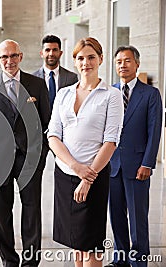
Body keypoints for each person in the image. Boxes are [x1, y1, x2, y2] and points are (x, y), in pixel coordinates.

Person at [47, 37, 123, 267]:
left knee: (91, 244)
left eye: (91, 57)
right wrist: (75, 167)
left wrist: (87, 177)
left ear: (100, 59)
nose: (85, 62)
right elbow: (53, 136)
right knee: (75, 244)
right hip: (65, 175)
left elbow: (110, 142)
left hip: (94, 176)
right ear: (74, 61)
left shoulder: (111, 95)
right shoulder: (64, 94)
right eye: (80, 58)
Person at [0, 39, 50, 267]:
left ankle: (30, 262)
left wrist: (40, 158)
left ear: (21, 56)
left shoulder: (37, 85)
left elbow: (47, 125)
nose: (9, 61)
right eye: (4, 57)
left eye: (13, 56)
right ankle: (9, 260)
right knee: (1, 212)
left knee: (32, 211)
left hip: (30, 159)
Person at [105, 46, 162, 267]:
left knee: (138, 219)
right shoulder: (109, 93)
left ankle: (139, 262)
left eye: (127, 61)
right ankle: (120, 258)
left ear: (137, 64)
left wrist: (147, 163)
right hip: (112, 166)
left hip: (138, 166)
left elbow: (154, 130)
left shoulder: (150, 94)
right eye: (118, 61)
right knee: (116, 216)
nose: (122, 65)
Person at [32, 34, 78, 110]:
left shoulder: (71, 78)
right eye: (47, 50)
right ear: (41, 54)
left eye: (55, 50)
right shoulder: (32, 79)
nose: (51, 54)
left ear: (60, 53)